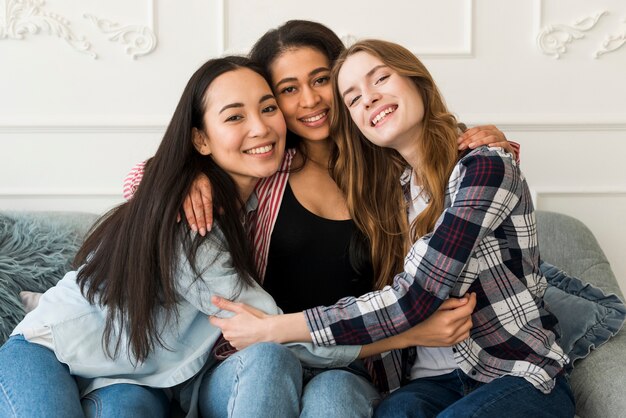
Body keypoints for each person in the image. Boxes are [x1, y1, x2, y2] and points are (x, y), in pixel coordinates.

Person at [123, 21, 512, 411]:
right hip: (259, 356)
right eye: (288, 90)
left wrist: (487, 142)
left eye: (321, 79)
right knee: (271, 367)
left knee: (335, 398)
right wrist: (189, 179)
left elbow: (475, 205)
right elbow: (141, 181)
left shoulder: (390, 164)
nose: (309, 100)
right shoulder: (264, 165)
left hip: (352, 362)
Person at [209, 39, 576, 418]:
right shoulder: (388, 187)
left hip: (509, 371)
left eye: (380, 78)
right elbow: (166, 170)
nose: (367, 99)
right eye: (353, 97)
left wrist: (277, 328)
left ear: (417, 80)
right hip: (422, 384)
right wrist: (187, 182)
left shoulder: (477, 167)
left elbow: (415, 295)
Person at [0, 56, 363, 418]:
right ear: (201, 140)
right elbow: (266, 325)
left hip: (132, 380)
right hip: (50, 352)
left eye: (268, 108)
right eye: (235, 116)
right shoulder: (191, 218)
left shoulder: (253, 200)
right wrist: (398, 335)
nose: (260, 127)